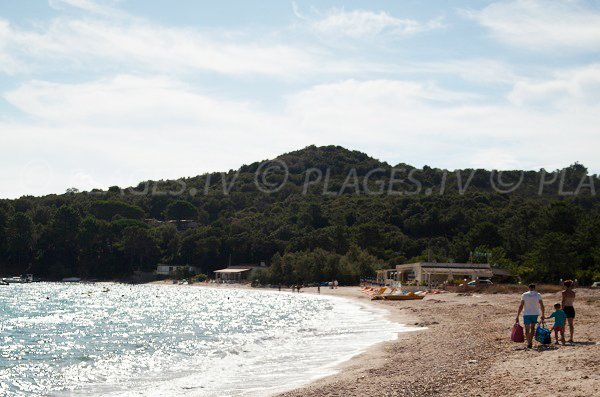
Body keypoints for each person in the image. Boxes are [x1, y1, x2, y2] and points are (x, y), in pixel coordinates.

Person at [516, 284, 545, 349]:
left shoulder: (524, 295)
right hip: (535, 313)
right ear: (534, 288)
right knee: (532, 328)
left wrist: (517, 315)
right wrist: (543, 314)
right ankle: (531, 341)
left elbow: (521, 305)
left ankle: (529, 343)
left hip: (526, 314)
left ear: (529, 288)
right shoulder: (538, 294)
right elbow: (542, 305)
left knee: (527, 329)